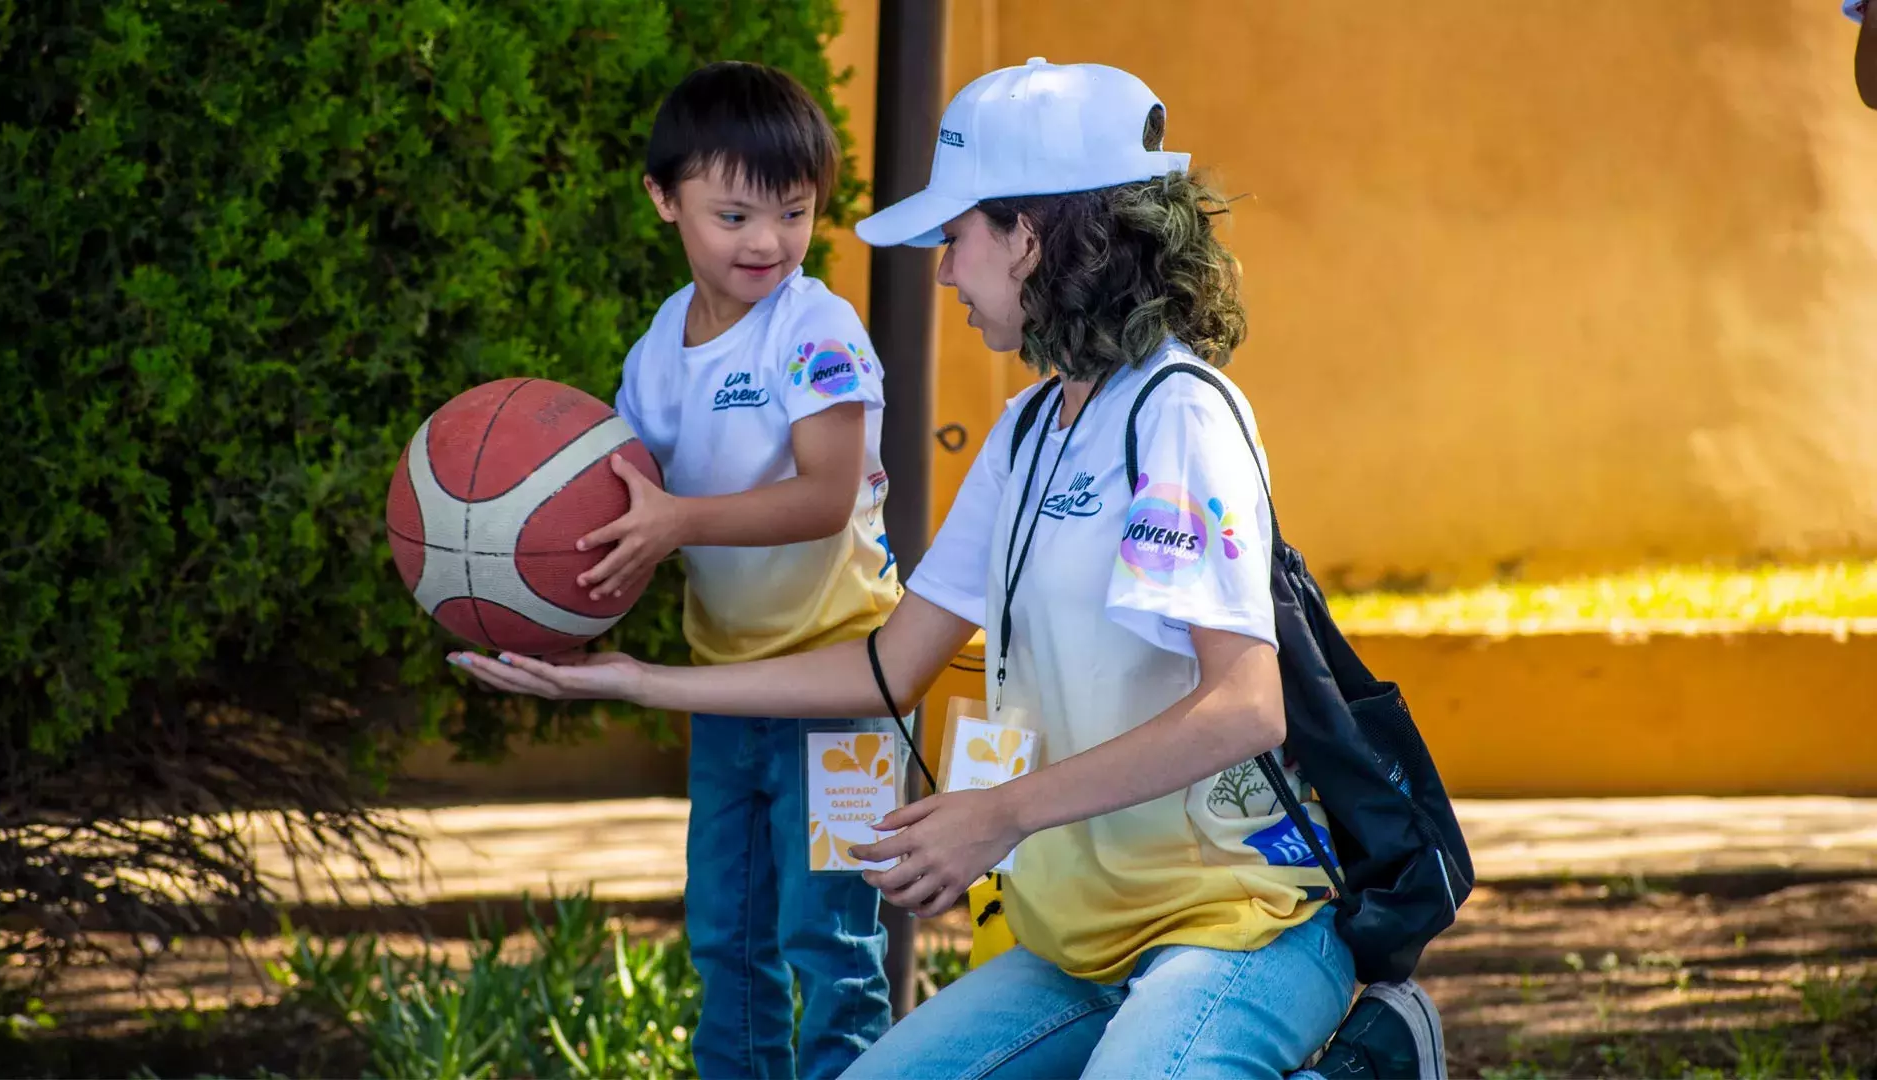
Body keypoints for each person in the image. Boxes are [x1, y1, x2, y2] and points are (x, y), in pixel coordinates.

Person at [456, 59, 1444, 1078]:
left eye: (956, 237)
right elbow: (884, 669)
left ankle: (1374, 1060)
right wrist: (633, 681)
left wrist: (997, 814)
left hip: (1235, 926)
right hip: (1077, 949)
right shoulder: (1024, 430)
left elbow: (1246, 712)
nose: (941, 271)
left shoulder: (1180, 413)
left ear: (1034, 234)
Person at [569, 61, 901, 1079]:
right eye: (734, 215)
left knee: (833, 948)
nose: (767, 242)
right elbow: (630, 511)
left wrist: (673, 523)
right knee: (726, 937)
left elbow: (825, 497)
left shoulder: (817, 331)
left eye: (793, 214)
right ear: (663, 200)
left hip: (846, 688)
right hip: (724, 688)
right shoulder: (655, 352)